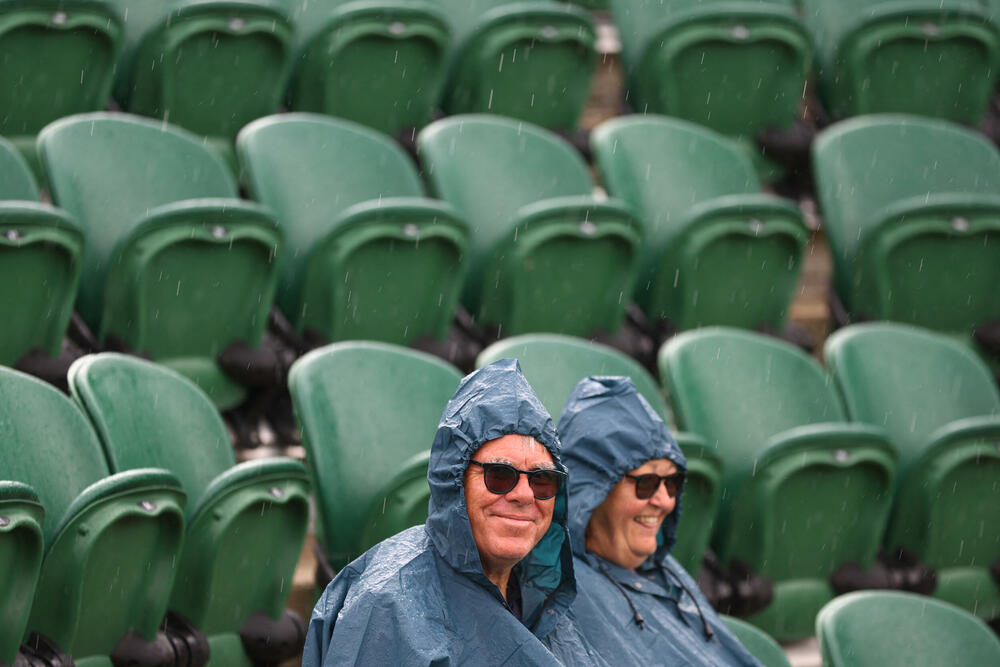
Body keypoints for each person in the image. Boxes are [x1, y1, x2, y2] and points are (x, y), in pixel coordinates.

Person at [302, 359, 603, 666]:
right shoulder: (389, 608)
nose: (525, 495)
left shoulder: (541, 601)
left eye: (542, 479)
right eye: (500, 475)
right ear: (454, 483)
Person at [553, 375, 762, 666]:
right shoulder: (560, 596)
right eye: (647, 483)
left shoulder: (665, 571)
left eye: (672, 482)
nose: (664, 501)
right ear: (592, 490)